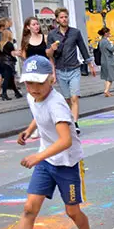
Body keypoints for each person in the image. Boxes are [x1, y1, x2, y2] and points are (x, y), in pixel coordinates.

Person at [0, 56, 98, 229]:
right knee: (29, 208)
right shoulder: (34, 96)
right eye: (29, 83)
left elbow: (65, 140)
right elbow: (37, 113)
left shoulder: (57, 105)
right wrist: (29, 130)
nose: (33, 88)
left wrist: (37, 157)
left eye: (39, 83)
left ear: (51, 80)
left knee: (72, 211)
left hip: (67, 163)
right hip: (46, 161)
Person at [46, 7, 97, 135]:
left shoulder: (75, 32)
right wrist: (52, 48)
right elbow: (48, 54)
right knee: (67, 99)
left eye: (66, 17)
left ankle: (74, 123)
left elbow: (83, 48)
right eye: (61, 17)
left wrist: (90, 63)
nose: (64, 19)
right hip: (60, 70)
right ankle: (69, 119)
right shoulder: (52, 35)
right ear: (57, 19)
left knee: (74, 97)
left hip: (74, 68)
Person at [0, 29, 23, 101]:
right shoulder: (9, 44)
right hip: (9, 63)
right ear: (9, 35)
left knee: (11, 78)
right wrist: (18, 52)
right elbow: (13, 54)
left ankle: (16, 93)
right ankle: (4, 93)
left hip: (2, 63)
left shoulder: (0, 44)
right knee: (7, 78)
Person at [96, 27, 114, 98]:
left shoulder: (100, 41)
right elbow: (111, 49)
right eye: (108, 32)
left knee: (106, 77)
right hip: (109, 60)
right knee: (110, 77)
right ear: (105, 33)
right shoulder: (106, 41)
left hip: (103, 60)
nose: (109, 34)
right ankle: (106, 90)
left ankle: (107, 91)